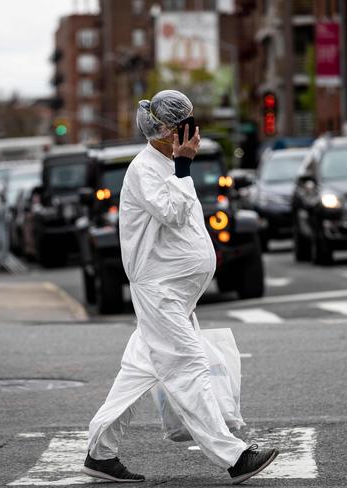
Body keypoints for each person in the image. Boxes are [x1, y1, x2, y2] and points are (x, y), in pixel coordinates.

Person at [83, 90, 279, 484]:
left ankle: (99, 453)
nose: (193, 132)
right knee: (188, 367)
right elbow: (173, 213)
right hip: (160, 293)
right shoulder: (145, 168)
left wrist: (181, 167)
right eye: (184, 125)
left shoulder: (165, 164)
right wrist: (185, 167)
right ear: (168, 130)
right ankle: (234, 457)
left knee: (139, 369)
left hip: (174, 292)